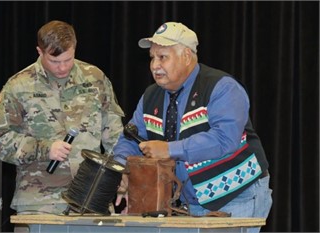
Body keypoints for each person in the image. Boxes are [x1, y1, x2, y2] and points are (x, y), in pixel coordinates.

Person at [114, 22, 272, 232]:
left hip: (235, 195)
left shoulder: (222, 87)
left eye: (163, 57)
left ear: (186, 56)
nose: (154, 65)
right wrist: (121, 170)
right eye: (152, 57)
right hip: (186, 203)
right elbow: (130, 137)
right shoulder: (151, 96)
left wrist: (170, 149)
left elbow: (225, 139)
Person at [0, 20, 124, 215]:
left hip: (91, 198)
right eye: (54, 61)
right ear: (39, 51)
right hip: (39, 201)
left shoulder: (95, 78)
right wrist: (44, 149)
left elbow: (115, 135)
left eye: (68, 59)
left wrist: (121, 176)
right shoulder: (19, 85)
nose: (62, 67)